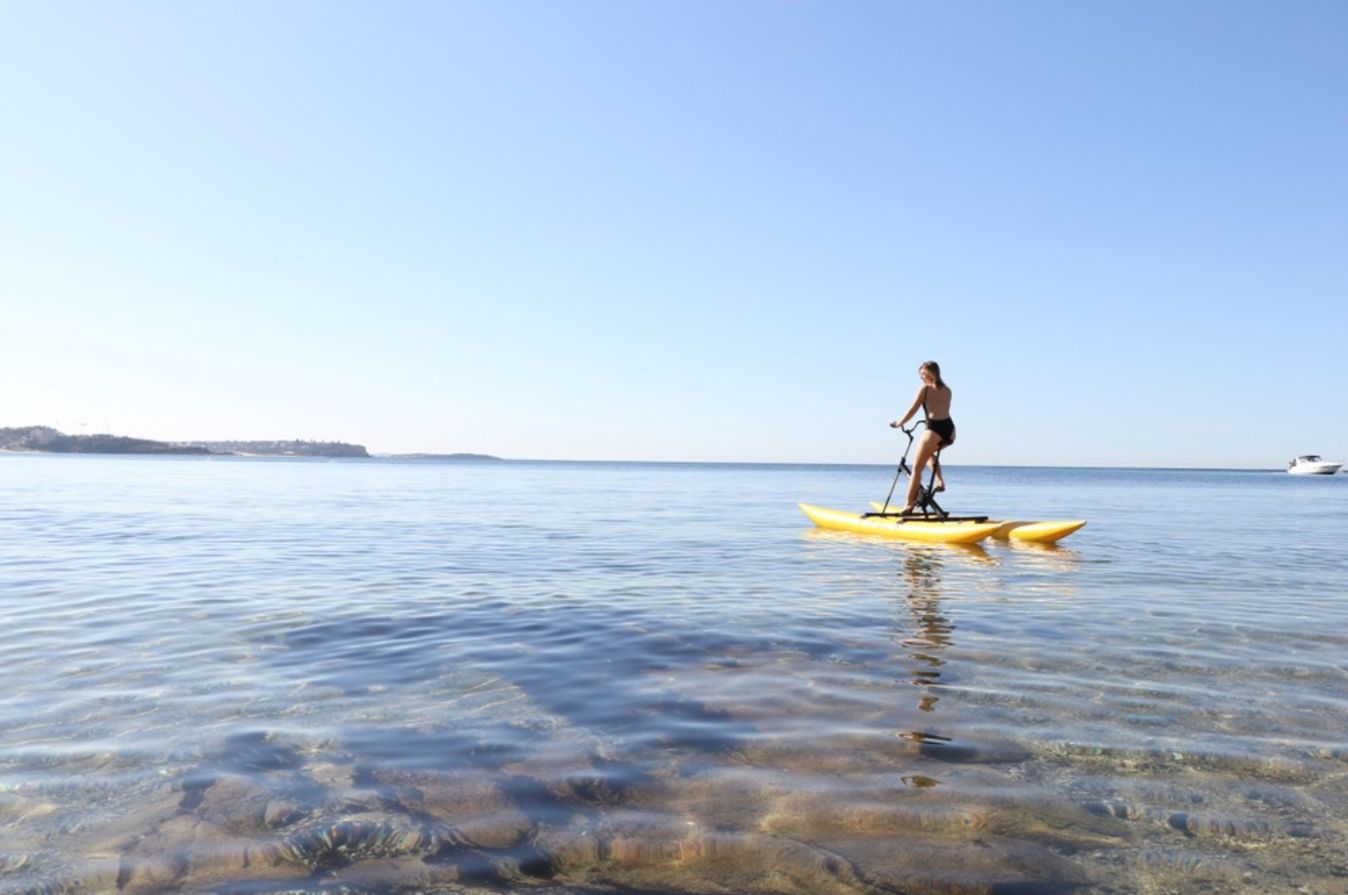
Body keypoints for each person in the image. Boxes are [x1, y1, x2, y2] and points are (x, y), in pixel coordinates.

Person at [889, 361, 955, 514]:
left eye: (923, 375)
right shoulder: (948, 390)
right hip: (950, 431)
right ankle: (939, 481)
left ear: (930, 374)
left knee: (916, 470)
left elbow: (912, 410)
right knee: (930, 453)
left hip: (933, 430)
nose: (921, 378)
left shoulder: (925, 389)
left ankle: (908, 504)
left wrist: (899, 423)